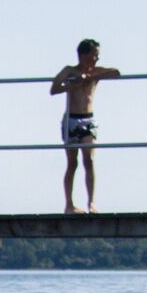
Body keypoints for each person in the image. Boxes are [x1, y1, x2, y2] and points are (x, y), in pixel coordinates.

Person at [49, 38, 120, 214]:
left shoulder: (96, 71)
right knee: (72, 163)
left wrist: (92, 77)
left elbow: (116, 72)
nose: (96, 58)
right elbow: (54, 89)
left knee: (89, 160)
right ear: (83, 54)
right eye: (94, 55)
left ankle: (91, 203)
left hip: (88, 119)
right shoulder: (69, 70)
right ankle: (69, 204)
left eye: (97, 55)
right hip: (72, 119)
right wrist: (73, 84)